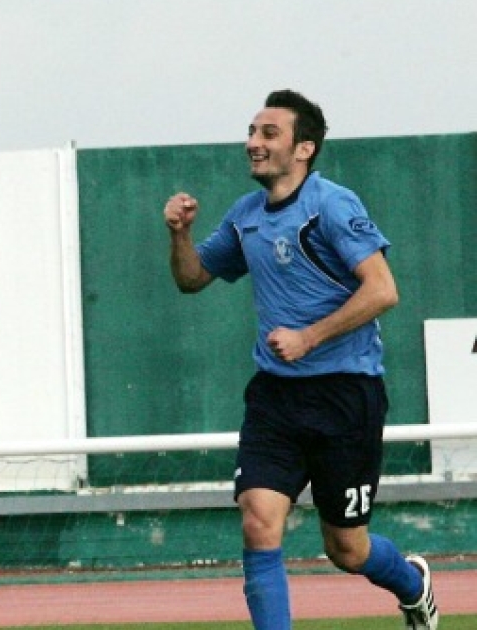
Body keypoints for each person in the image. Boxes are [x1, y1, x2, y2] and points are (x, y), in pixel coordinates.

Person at [162, 89, 439, 630]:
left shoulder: (332, 205)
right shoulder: (245, 216)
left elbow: (383, 290)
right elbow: (191, 278)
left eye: (269, 133)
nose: (253, 142)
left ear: (304, 148)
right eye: (251, 132)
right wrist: (180, 234)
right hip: (276, 396)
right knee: (258, 522)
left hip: (345, 395)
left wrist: (309, 337)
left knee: (347, 549)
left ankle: (412, 583)